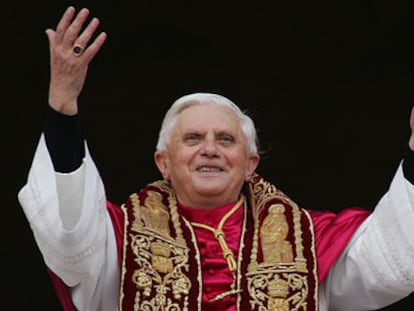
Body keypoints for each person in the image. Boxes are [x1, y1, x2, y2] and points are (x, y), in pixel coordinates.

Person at [18, 6, 414, 311]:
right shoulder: (117, 239)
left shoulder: (310, 242)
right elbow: (69, 239)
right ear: (163, 163)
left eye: (225, 139)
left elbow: (392, 259)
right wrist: (63, 105)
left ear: (250, 165)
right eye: (193, 138)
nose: (210, 149)